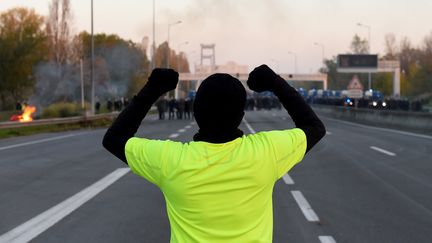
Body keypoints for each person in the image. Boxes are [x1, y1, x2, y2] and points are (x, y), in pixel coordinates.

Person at [103, 65, 326, 242]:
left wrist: (153, 89)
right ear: (241, 116)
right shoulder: (266, 153)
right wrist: (276, 83)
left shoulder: (171, 160)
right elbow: (314, 127)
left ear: (195, 113)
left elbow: (114, 139)